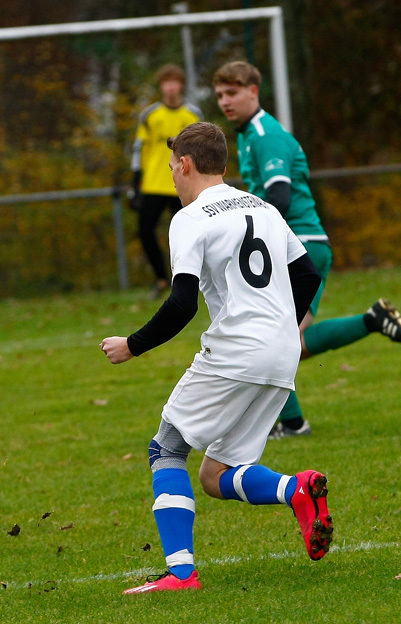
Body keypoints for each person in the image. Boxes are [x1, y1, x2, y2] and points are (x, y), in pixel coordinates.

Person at [100, 122, 332, 593]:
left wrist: (133, 344)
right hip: (282, 352)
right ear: (223, 166)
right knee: (215, 474)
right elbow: (307, 275)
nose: (171, 178)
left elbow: (182, 302)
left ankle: (181, 573)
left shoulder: (188, 219)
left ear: (184, 164)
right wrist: (281, 328)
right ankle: (296, 489)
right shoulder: (261, 206)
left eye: (170, 168)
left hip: (236, 351)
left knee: (166, 449)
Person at [213, 61, 401, 438]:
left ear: (253, 91)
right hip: (304, 246)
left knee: (268, 341)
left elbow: (279, 196)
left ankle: (290, 422)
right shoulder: (246, 135)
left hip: (297, 246)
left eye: (232, 93)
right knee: (291, 343)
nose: (225, 101)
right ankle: (371, 321)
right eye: (220, 95)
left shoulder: (264, 135)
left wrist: (241, 232)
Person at [129, 64, 204, 297]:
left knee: (192, 234)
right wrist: (135, 183)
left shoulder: (192, 115)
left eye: (174, 82)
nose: (170, 87)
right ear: (161, 86)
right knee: (145, 231)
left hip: (183, 183)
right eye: (166, 82)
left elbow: (204, 148)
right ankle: (162, 278)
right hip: (153, 184)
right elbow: (138, 148)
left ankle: (194, 280)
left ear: (181, 85)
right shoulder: (150, 115)